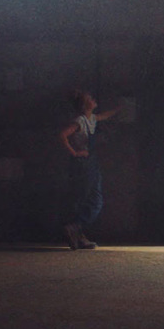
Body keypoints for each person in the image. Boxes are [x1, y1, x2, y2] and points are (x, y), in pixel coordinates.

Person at [58, 90, 119, 250]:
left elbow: (104, 116)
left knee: (91, 200)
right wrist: (75, 152)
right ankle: (76, 229)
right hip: (83, 164)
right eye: (90, 99)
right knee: (87, 199)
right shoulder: (80, 120)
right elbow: (63, 135)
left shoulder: (91, 118)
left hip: (91, 163)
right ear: (85, 105)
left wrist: (119, 109)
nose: (93, 99)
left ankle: (78, 232)